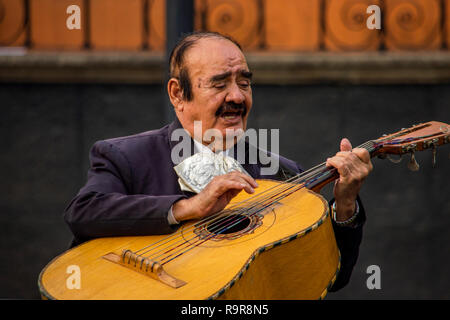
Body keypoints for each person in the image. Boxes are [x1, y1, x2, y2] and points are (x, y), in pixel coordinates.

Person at [64, 32, 373, 293]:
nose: (237, 97)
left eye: (244, 83)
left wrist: (344, 205)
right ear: (177, 94)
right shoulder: (125, 156)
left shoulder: (282, 173)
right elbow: (84, 211)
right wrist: (187, 207)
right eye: (220, 83)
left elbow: (329, 277)